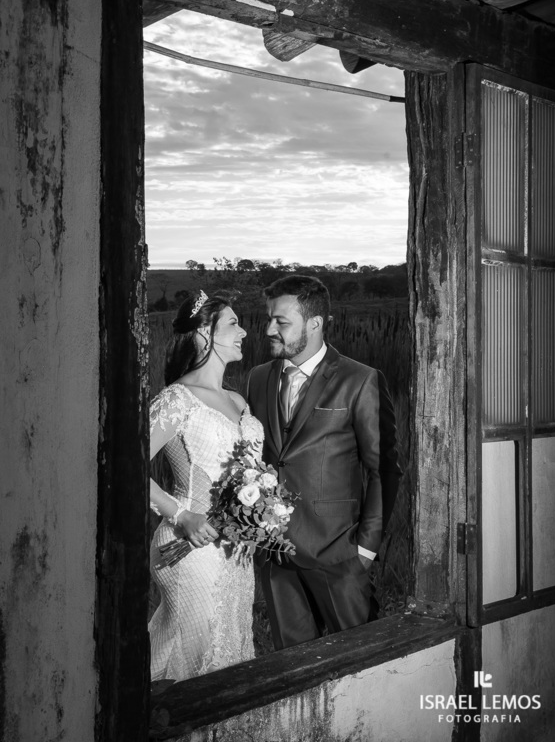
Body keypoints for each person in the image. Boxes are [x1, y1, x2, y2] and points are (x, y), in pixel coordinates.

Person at [244, 275, 402, 650]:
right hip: (276, 553)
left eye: (281, 322)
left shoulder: (360, 380)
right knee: (293, 667)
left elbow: (383, 469)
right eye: (269, 319)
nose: (268, 329)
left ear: (314, 323)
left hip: (338, 552)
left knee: (361, 661)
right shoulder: (258, 378)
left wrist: (365, 548)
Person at [147, 290, 261, 683]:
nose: (244, 331)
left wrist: (264, 512)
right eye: (233, 323)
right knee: (192, 655)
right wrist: (182, 516)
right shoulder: (177, 400)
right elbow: (123, 468)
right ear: (202, 334)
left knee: (231, 647)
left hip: (236, 551)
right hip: (191, 546)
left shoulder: (237, 400)